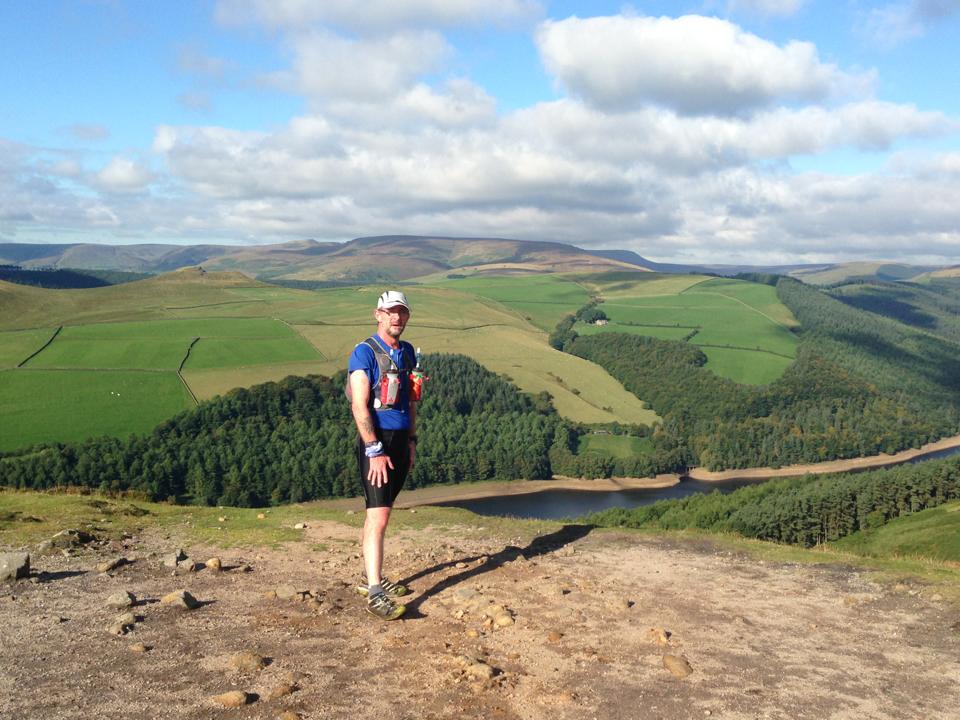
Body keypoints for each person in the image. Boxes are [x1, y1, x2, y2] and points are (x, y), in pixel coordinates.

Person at [347, 290, 419, 620]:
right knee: (379, 516)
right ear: (377, 315)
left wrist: (412, 441)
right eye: (390, 312)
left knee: (381, 512)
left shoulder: (405, 352)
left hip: (401, 441)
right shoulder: (363, 353)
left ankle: (372, 577)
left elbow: (411, 401)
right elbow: (359, 405)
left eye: (401, 312)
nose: (397, 318)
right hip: (377, 443)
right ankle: (375, 592)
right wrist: (374, 449)